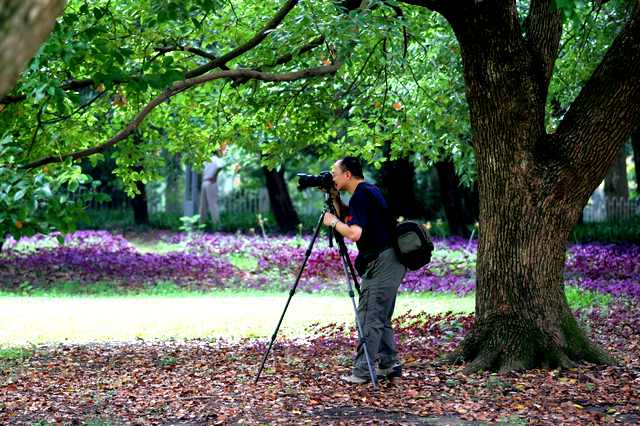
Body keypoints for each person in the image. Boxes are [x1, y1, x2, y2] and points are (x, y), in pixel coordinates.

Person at [322, 156, 407, 384]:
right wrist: (335, 200)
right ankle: (390, 365)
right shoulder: (368, 191)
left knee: (368, 316)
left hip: (382, 261)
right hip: (391, 260)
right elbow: (352, 218)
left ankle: (362, 372)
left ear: (347, 174)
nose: (332, 177)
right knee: (380, 316)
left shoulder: (361, 195)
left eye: (334, 172)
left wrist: (331, 221)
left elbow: (353, 233)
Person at [199, 144, 228, 225]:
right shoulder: (216, 159)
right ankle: (217, 224)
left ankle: (201, 224)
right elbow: (220, 167)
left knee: (203, 205)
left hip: (204, 182)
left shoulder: (206, 160)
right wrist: (214, 176)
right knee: (213, 204)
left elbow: (202, 171)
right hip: (211, 182)